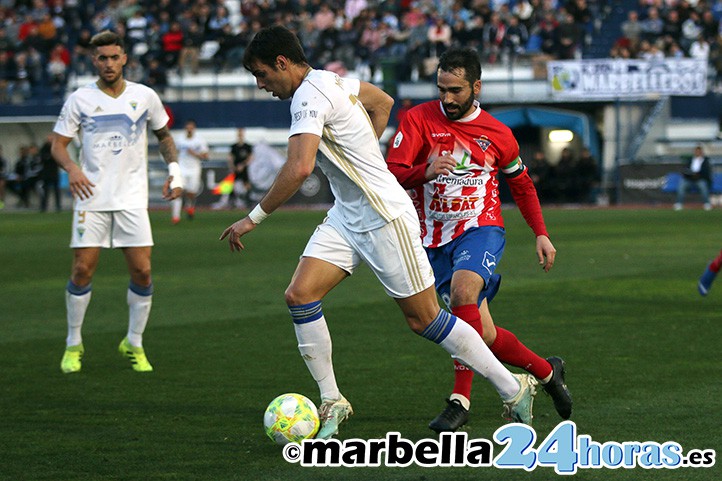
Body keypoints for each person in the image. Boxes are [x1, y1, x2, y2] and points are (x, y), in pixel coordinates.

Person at [220, 25, 538, 440]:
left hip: (384, 215)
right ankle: (332, 399)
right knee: (300, 295)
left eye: (262, 74)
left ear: (282, 63)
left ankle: (515, 388)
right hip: (346, 214)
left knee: (424, 320)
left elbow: (299, 168)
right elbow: (381, 100)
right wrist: (365, 148)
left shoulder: (308, 96)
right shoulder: (332, 79)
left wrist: (251, 218)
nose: (261, 85)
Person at [386, 46, 572, 433]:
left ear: (476, 87)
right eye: (441, 89)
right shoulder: (418, 119)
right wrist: (424, 171)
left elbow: (521, 185)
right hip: (432, 237)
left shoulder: (498, 134)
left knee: (462, 297)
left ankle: (460, 401)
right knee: (481, 334)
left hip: (480, 227)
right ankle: (547, 371)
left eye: (455, 90)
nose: (447, 98)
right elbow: (390, 172)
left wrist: (541, 233)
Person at [51, 30, 183, 374]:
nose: (108, 63)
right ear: (93, 60)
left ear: (125, 58)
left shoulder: (145, 96)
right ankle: (73, 343)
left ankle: (134, 342)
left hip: (132, 198)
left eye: (114, 57)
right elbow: (58, 144)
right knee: (82, 271)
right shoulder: (79, 99)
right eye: (102, 58)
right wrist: (72, 169)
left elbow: (164, 135)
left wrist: (175, 170)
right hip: (90, 197)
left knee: (143, 271)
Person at [171, 119, 209, 224]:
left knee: (191, 193)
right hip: (181, 168)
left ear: (194, 129)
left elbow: (206, 156)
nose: (189, 130)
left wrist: (195, 154)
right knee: (177, 191)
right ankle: (175, 216)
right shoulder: (179, 139)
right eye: (187, 127)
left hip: (194, 169)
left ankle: (190, 207)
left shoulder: (199, 140)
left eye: (191, 128)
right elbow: (173, 151)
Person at [212, 128, 253, 210]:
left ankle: (248, 202)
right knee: (231, 185)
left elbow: (250, 157)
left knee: (246, 185)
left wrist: (243, 165)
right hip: (235, 169)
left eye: (241, 133)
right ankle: (231, 202)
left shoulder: (247, 146)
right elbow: (230, 157)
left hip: (244, 169)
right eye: (239, 133)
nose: (240, 134)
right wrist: (232, 166)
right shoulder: (234, 146)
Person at [674, 145, 713, 211]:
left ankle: (707, 204)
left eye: (699, 151)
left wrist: (698, 174)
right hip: (689, 178)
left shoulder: (705, 161)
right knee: (681, 186)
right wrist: (690, 173)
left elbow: (707, 171)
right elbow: (685, 169)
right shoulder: (690, 160)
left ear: (701, 152)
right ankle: (679, 203)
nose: (697, 153)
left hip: (700, 179)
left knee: (703, 186)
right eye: (696, 151)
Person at [39, 133, 61, 212]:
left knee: (56, 191)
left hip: (54, 173)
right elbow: (43, 159)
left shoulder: (56, 148)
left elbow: (58, 158)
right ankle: (43, 207)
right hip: (46, 173)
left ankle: (58, 206)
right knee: (45, 191)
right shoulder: (43, 148)